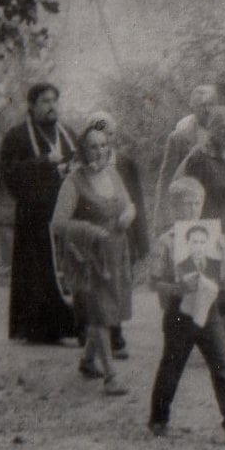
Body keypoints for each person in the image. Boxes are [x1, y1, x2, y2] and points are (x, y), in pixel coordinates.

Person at [147, 177, 225, 446]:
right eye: (185, 204)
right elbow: (153, 281)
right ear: (173, 207)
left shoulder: (214, 237)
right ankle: (159, 418)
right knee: (172, 365)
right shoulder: (167, 241)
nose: (192, 209)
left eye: (196, 203)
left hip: (209, 309)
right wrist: (177, 287)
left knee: (222, 364)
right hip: (179, 312)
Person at [51, 126, 137, 396]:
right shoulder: (73, 181)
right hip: (88, 256)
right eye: (92, 146)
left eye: (103, 145)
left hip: (115, 251)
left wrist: (128, 215)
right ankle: (110, 376)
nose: (99, 151)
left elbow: (129, 204)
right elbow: (58, 223)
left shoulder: (112, 174)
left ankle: (88, 361)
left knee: (109, 308)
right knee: (99, 312)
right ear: (82, 150)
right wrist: (89, 231)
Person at [0, 83, 78, 343]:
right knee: (37, 271)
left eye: (55, 100)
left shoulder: (67, 134)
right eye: (45, 101)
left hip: (64, 213)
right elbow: (9, 174)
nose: (52, 105)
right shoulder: (17, 136)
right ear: (31, 106)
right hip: (34, 215)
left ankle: (69, 326)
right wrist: (44, 164)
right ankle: (38, 330)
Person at [178, 103, 225, 367]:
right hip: (214, 229)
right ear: (210, 129)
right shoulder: (200, 157)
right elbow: (185, 191)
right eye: (221, 126)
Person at [80, 111, 150, 359]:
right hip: (95, 235)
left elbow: (136, 200)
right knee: (102, 285)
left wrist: (142, 240)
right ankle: (112, 337)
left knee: (120, 284)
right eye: (99, 134)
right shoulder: (81, 168)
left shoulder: (125, 164)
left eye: (109, 134)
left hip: (123, 234)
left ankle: (107, 335)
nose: (105, 141)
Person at [153, 84, 217, 222]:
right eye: (202, 105)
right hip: (189, 208)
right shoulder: (178, 138)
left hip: (216, 208)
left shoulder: (224, 135)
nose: (207, 110)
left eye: (211, 104)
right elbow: (166, 180)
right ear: (193, 107)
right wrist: (163, 218)